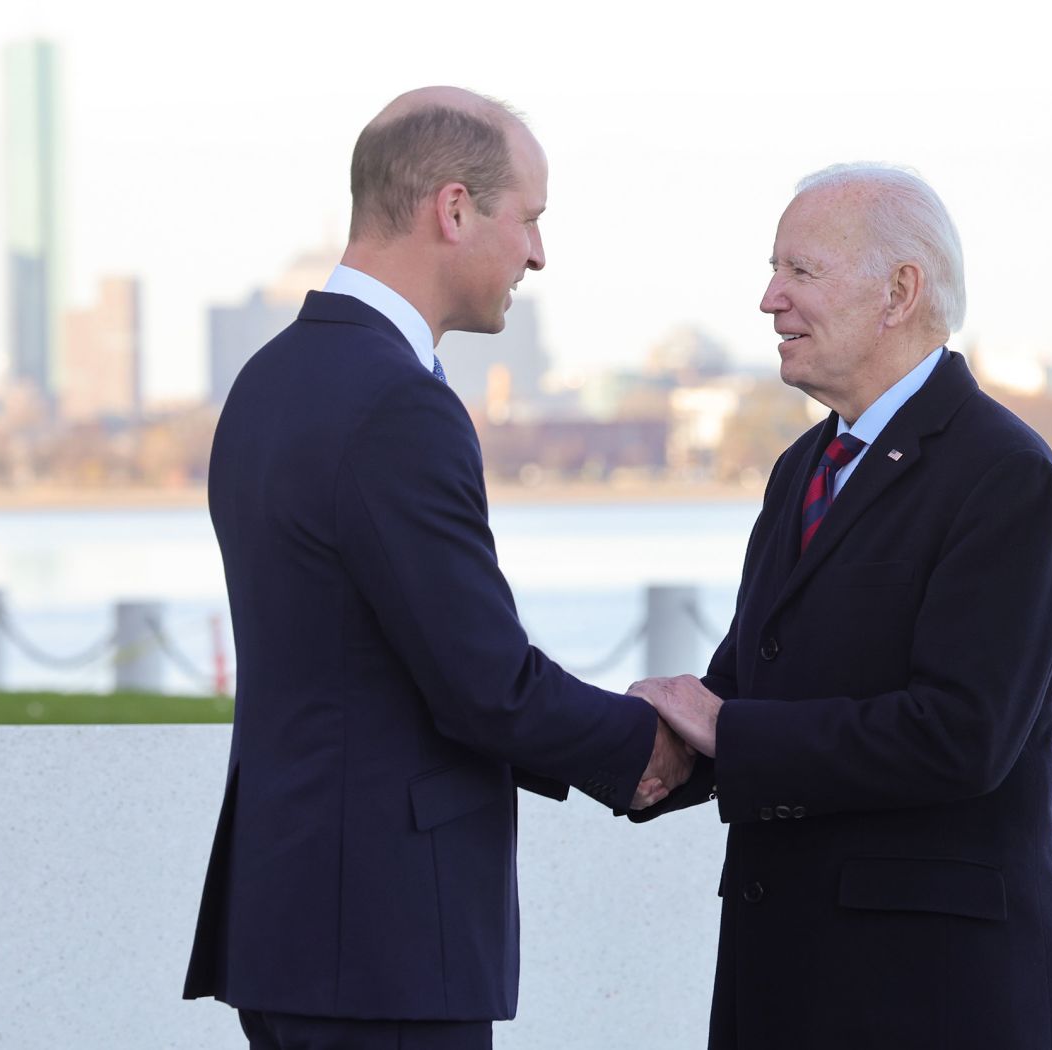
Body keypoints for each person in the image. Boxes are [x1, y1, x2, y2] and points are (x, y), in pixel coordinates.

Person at [183, 87, 691, 1050]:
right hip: (382, 943)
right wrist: (657, 753)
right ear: (453, 210)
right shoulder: (396, 405)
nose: (538, 253)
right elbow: (484, 684)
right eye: (529, 219)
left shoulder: (270, 380)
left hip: (291, 922)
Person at [627, 164, 1052, 1049]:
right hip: (784, 986)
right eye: (774, 271)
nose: (769, 299)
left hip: (929, 999)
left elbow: (963, 736)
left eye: (801, 271)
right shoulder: (802, 468)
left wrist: (728, 735)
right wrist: (633, 751)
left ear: (899, 292)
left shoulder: (1004, 475)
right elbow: (738, 698)